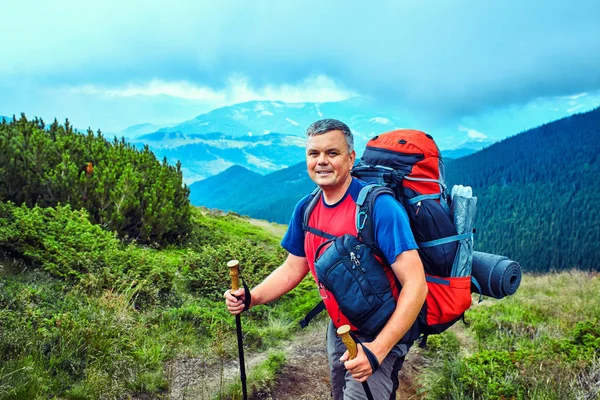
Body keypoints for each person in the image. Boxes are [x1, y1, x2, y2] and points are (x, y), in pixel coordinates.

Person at [224, 118, 428, 399]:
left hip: (381, 332)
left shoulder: (378, 208)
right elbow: (293, 268)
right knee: (338, 393)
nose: (322, 161)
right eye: (314, 154)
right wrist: (251, 297)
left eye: (332, 153)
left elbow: (416, 285)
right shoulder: (307, 208)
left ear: (350, 158)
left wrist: (376, 351)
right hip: (341, 328)